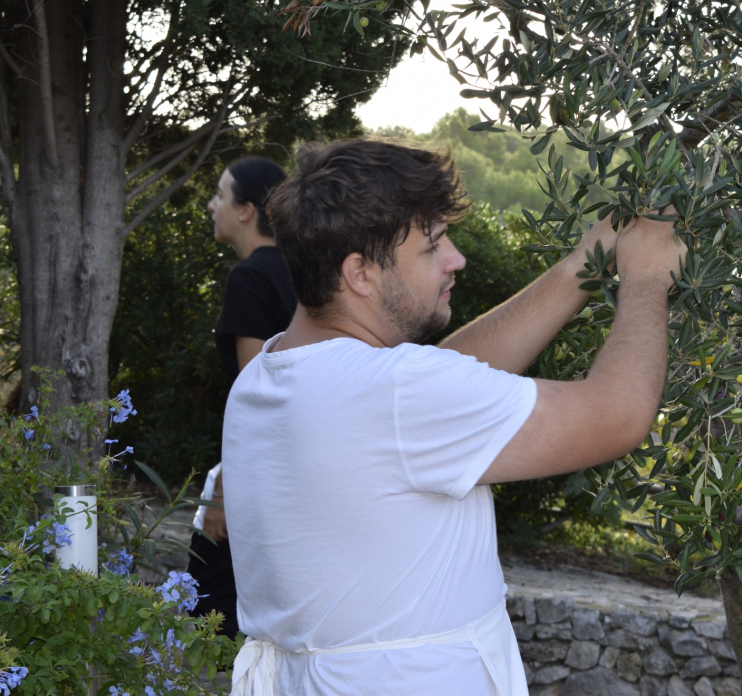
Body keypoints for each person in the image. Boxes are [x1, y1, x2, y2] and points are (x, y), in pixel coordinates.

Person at [223, 138, 686, 695]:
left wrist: (580, 268)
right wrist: (648, 277)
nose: (456, 259)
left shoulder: (271, 372)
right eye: (432, 245)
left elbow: (433, 382)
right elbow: (616, 416)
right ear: (360, 274)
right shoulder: (397, 394)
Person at [188, 157, 296, 639]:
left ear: (247, 210)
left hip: (262, 473)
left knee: (211, 614)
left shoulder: (251, 277)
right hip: (302, 467)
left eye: (219, 194)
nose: (212, 205)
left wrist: (224, 492)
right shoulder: (304, 273)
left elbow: (257, 395)